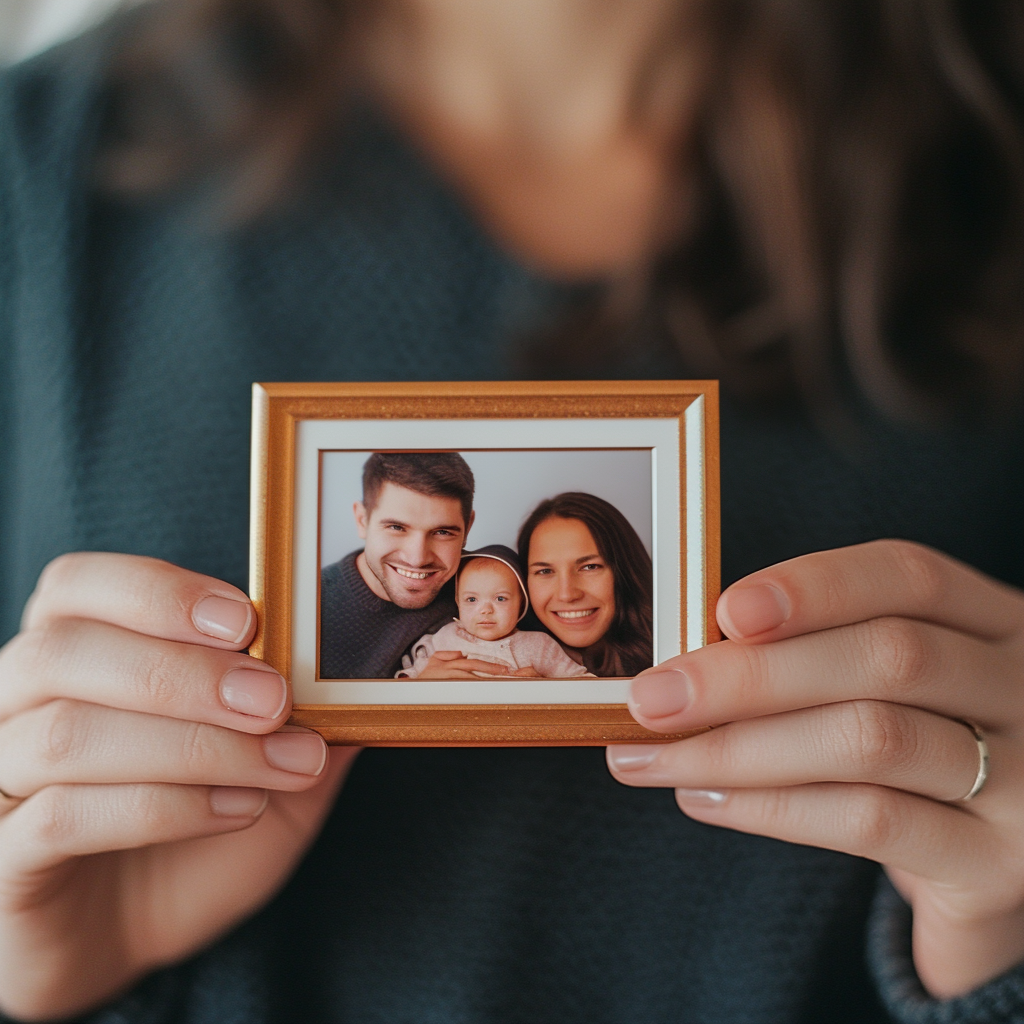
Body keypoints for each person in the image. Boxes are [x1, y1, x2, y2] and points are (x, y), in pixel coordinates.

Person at [0, 1, 1021, 1022]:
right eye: (408, 534)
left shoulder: (990, 157)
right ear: (361, 517)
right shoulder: (40, 165)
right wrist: (36, 972)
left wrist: (1001, 953)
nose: (435, 568)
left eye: (451, 541)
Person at [319, 451, 474, 678]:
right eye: (396, 528)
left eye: (442, 532)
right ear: (362, 520)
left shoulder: (495, 583)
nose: (418, 559)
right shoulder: (305, 606)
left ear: (467, 528)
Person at [398, 545, 593, 679]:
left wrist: (544, 686)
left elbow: (582, 682)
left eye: (500, 599)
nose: (485, 610)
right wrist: (412, 679)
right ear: (458, 602)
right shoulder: (445, 637)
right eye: (471, 600)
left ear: (521, 603)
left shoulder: (539, 645)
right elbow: (413, 672)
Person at [518, 492, 654, 677]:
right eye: (545, 571)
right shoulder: (495, 661)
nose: (567, 594)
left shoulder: (678, 655)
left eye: (590, 567)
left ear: (625, 571)